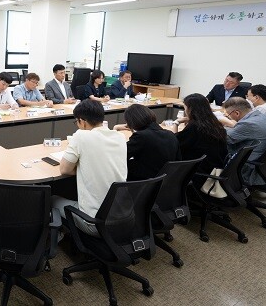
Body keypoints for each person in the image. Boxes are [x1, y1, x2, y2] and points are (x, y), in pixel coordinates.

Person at [51, 100, 127, 237]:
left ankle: (59, 238)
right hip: (123, 217)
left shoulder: (81, 136)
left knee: (52, 199)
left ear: (82, 121)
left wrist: (82, 169)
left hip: (94, 223)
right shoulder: (120, 137)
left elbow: (64, 170)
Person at [170, 93, 228, 180]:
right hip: (214, 166)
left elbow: (175, 143)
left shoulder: (195, 126)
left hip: (199, 170)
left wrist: (176, 123)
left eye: (185, 108)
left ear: (191, 109)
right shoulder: (214, 122)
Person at [114, 104, 180, 181]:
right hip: (166, 181)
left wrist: (115, 129)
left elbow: (121, 155)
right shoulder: (170, 134)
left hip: (145, 183)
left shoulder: (141, 136)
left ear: (131, 122)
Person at [222, 97, 266, 186]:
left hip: (247, 165)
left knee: (213, 151)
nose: (228, 117)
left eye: (228, 115)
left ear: (237, 113)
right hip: (263, 163)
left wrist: (224, 123)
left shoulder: (248, 124)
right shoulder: (260, 116)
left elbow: (226, 138)